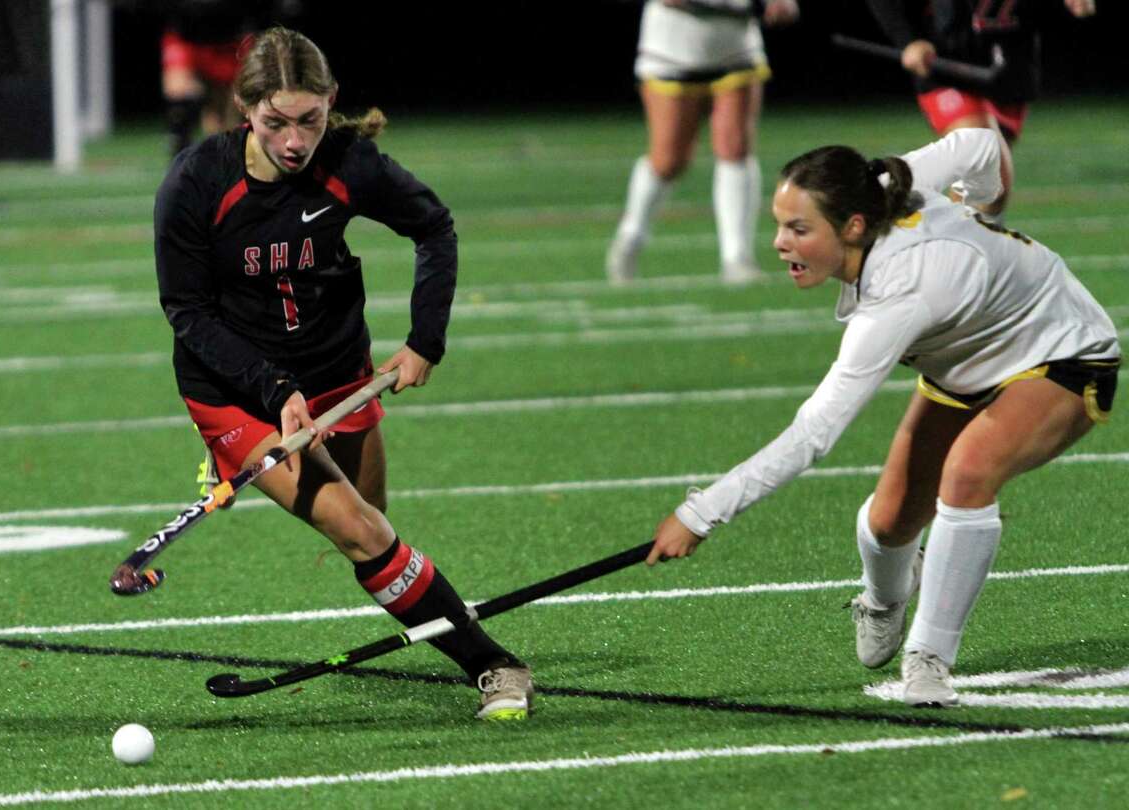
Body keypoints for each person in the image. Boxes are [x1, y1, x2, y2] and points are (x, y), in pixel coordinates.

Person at [645, 127, 1120, 707]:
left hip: (1061, 351)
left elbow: (815, 434)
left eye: (799, 229)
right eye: (779, 225)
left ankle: (930, 659)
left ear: (852, 227)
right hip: (961, 368)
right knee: (890, 524)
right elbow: (978, 145)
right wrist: (985, 201)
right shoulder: (883, 185)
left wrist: (702, 514)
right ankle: (884, 596)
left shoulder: (901, 293)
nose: (779, 243)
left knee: (968, 474)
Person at [151, 26, 533, 721]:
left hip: (340, 375)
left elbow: (434, 228)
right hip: (239, 392)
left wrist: (425, 340)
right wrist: (275, 392)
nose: (295, 141)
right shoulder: (196, 183)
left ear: (332, 103)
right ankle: (495, 665)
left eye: (310, 120)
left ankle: (438, 615)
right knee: (362, 532)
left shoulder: (350, 163)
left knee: (377, 527)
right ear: (244, 108)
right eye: (276, 123)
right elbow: (187, 311)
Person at [606, 0, 800, 286]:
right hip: (671, 48)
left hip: (736, 47)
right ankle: (631, 236)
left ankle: (737, 258)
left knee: (735, 148)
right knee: (669, 161)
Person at [864, 0, 1097, 218]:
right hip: (948, 67)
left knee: (977, 194)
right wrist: (907, 39)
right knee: (991, 179)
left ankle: (958, 254)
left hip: (1008, 71)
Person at [161, 0, 261, 156]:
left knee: (226, 127)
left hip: (229, 39)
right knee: (179, 99)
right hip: (187, 35)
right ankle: (180, 158)